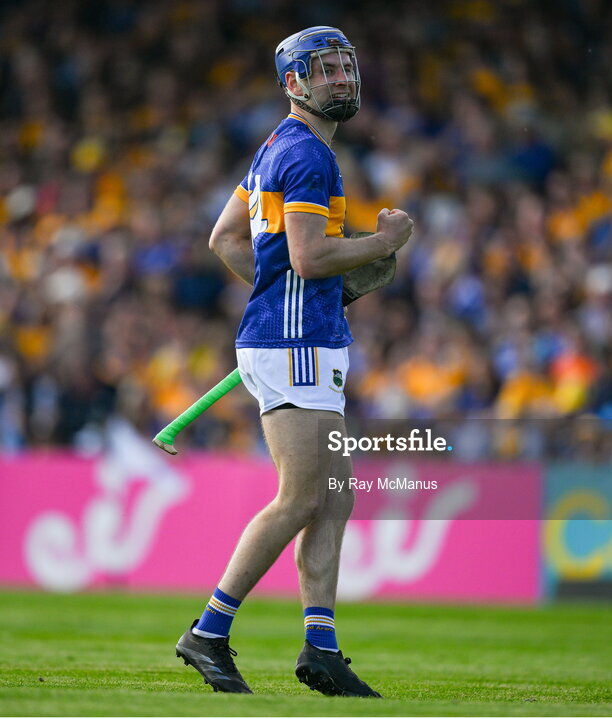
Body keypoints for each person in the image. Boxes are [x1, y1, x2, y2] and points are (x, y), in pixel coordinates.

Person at [174, 26, 414, 697]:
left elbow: (225, 237)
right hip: (294, 346)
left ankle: (321, 647)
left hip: (300, 336)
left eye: (346, 67)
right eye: (326, 70)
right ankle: (209, 631)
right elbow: (309, 257)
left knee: (334, 496)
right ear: (294, 84)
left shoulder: (276, 148)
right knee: (301, 495)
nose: (342, 78)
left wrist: (282, 290)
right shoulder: (307, 156)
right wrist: (382, 242)